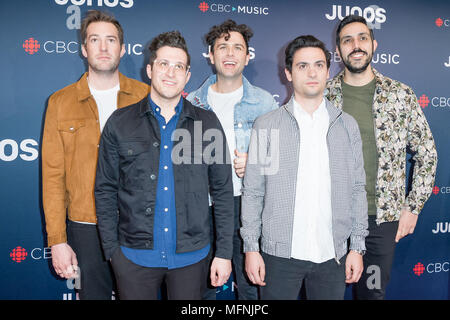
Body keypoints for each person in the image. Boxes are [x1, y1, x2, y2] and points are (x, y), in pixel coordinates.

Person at [94, 31, 234, 300]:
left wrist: (224, 253)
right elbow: (105, 189)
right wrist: (112, 251)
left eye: (178, 66)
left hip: (192, 259)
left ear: (188, 74)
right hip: (134, 259)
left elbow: (223, 192)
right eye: (163, 64)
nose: (171, 73)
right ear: (149, 69)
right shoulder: (120, 123)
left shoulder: (207, 123)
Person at [241, 35, 368, 300]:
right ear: (288, 73)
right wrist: (251, 248)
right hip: (279, 256)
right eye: (302, 66)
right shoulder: (267, 126)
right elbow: (253, 192)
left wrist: (356, 246)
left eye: (319, 65)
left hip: (332, 254)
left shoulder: (347, 126)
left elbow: (357, 189)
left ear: (328, 70)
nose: (312, 72)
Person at [326, 15, 438, 300]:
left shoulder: (400, 95)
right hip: (329, 218)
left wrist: (413, 207)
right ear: (337, 50)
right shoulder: (323, 95)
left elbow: (427, 152)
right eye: (347, 40)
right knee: (324, 293)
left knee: (372, 293)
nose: (356, 45)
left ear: (374, 45)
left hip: (381, 222)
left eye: (362, 38)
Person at [41, 10, 149, 300]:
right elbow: (53, 177)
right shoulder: (60, 102)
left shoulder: (145, 97)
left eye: (111, 40)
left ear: (123, 48)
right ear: (83, 48)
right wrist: (58, 241)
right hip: (85, 227)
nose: (103, 48)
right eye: (95, 40)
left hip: (137, 224)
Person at [187, 19, 278, 300]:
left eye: (237, 47)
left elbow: (278, 163)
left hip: (247, 206)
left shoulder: (265, 103)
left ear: (247, 56)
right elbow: (182, 163)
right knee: (200, 287)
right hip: (203, 206)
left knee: (251, 288)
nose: (230, 53)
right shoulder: (191, 103)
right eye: (222, 47)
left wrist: (256, 162)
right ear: (211, 55)